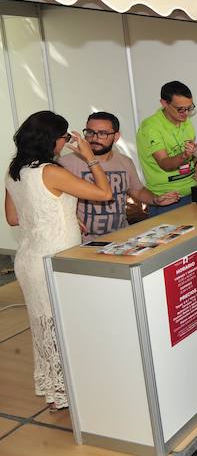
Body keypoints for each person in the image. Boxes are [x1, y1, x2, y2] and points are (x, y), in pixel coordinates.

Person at [5, 111, 112, 410]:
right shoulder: (50, 171)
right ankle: (71, 390)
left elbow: (13, 218)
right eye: (65, 137)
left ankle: (56, 390)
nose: (67, 142)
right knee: (66, 326)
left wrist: (63, 214)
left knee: (44, 326)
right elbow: (104, 193)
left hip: (29, 259)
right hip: (57, 258)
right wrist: (91, 158)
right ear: (51, 139)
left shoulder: (15, 171)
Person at [60, 112, 179, 239]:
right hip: (83, 241)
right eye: (90, 132)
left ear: (116, 137)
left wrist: (156, 200)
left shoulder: (125, 161)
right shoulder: (66, 163)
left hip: (121, 237)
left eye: (102, 133)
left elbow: (137, 191)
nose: (94, 138)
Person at [136, 81, 197, 215]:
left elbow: (184, 151)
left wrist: (196, 162)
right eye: (180, 109)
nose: (186, 113)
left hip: (191, 192)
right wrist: (185, 155)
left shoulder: (184, 120)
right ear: (164, 103)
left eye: (189, 108)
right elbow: (165, 163)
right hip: (167, 200)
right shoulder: (151, 127)